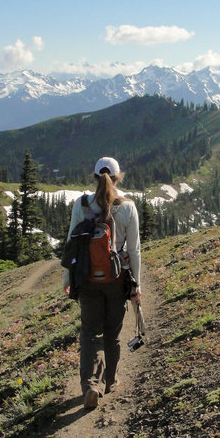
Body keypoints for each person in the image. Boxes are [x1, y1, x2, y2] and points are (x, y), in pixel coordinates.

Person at [63, 156, 141, 409]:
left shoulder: (82, 204)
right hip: (116, 279)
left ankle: (91, 385)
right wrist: (136, 285)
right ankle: (111, 380)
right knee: (112, 332)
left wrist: (67, 278)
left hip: (87, 278)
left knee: (89, 331)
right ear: (118, 177)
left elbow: (70, 244)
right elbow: (135, 250)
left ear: (95, 177)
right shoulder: (128, 207)